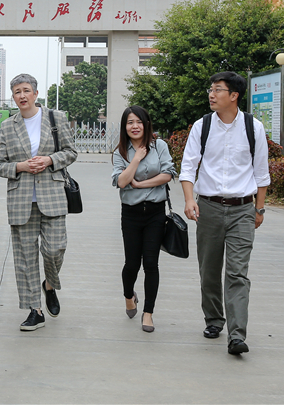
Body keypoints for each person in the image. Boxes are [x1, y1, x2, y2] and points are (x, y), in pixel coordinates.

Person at [179, 71, 270, 355]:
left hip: (243, 209)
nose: (211, 94)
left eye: (218, 89)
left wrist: (259, 208)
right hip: (208, 207)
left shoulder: (253, 127)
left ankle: (237, 335)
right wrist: (189, 200)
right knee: (209, 270)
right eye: (211, 89)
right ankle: (214, 319)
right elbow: (188, 167)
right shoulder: (202, 126)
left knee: (237, 273)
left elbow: (261, 173)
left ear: (234, 95)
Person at [0, 73, 77, 331]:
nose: (22, 96)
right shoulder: (7, 126)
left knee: (55, 249)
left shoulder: (55, 118)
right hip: (21, 201)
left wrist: (49, 160)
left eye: (26, 90)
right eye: (17, 92)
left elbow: (71, 152)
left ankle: (49, 284)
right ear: (13, 97)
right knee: (26, 258)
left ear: (35, 94)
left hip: (52, 196)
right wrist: (21, 166)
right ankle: (35, 310)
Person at [111, 106, 176, 333]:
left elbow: (167, 174)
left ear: (147, 123)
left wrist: (139, 184)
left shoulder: (160, 146)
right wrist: (136, 159)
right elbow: (121, 181)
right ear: (125, 127)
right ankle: (129, 296)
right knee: (131, 264)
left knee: (150, 263)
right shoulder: (120, 151)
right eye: (130, 122)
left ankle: (148, 313)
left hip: (156, 213)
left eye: (139, 121)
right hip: (131, 214)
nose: (135, 126)